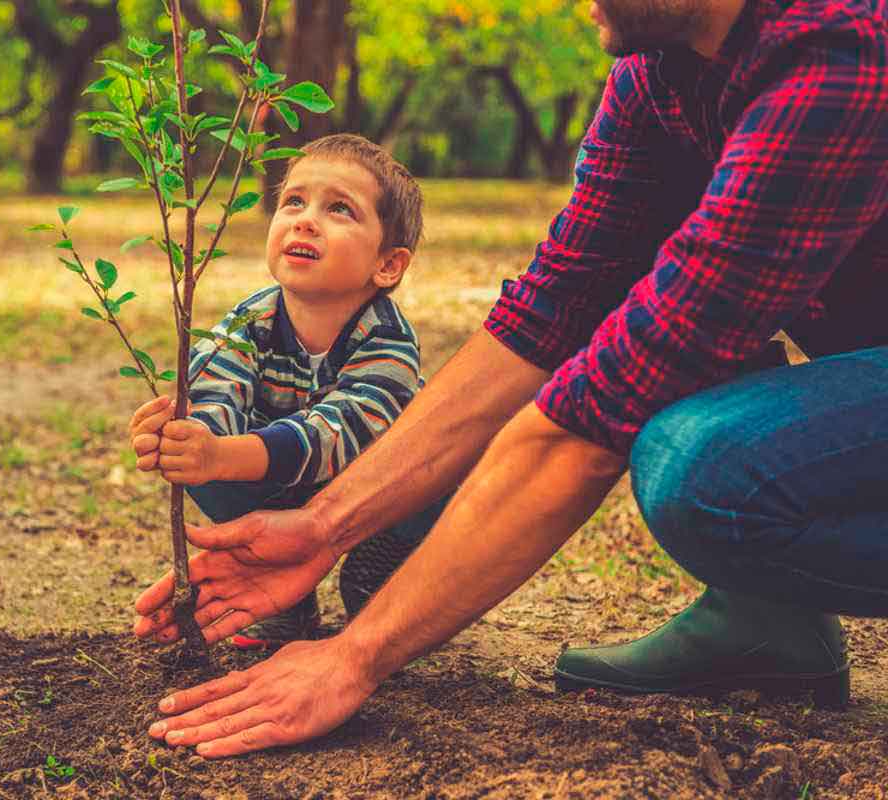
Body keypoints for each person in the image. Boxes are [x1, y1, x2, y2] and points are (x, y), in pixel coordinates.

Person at [131, 0, 888, 758]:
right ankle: (771, 621)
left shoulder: (840, 50)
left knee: (705, 469)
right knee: (669, 338)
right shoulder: (656, 71)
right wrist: (323, 526)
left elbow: (596, 417)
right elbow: (552, 311)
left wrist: (353, 655)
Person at [128, 133, 448, 649]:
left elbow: (340, 434)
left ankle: (385, 570)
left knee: (442, 473)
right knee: (207, 466)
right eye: (293, 201)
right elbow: (215, 391)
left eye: (339, 209)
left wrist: (227, 453)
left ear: (387, 264)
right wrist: (185, 437)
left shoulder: (388, 338)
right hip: (283, 484)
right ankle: (286, 596)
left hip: (377, 493)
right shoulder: (251, 319)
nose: (305, 219)